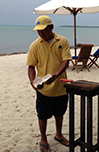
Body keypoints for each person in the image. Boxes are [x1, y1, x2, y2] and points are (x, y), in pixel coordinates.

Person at [26, 15, 72, 152]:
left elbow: (66, 61)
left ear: (51, 27)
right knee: (42, 115)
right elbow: (30, 66)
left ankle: (58, 134)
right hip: (44, 89)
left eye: (43, 30)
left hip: (61, 87)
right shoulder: (35, 45)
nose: (41, 33)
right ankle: (43, 138)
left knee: (60, 113)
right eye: (38, 31)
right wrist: (32, 81)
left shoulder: (62, 41)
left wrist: (56, 75)